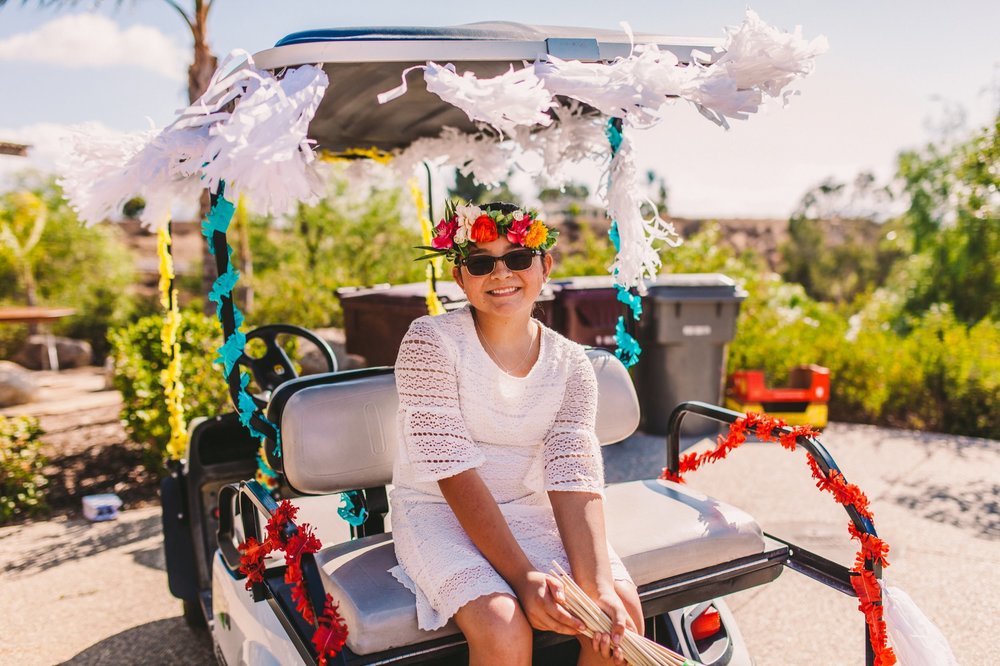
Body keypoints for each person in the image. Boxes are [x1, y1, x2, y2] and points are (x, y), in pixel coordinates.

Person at [388, 201, 642, 665]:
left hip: (530, 510)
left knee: (618, 618)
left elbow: (573, 472)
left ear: (545, 265)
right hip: (440, 512)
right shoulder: (429, 342)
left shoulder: (572, 363)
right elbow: (452, 471)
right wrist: (524, 578)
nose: (501, 274)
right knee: (502, 625)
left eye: (518, 258)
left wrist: (598, 587)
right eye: (481, 263)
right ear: (459, 277)